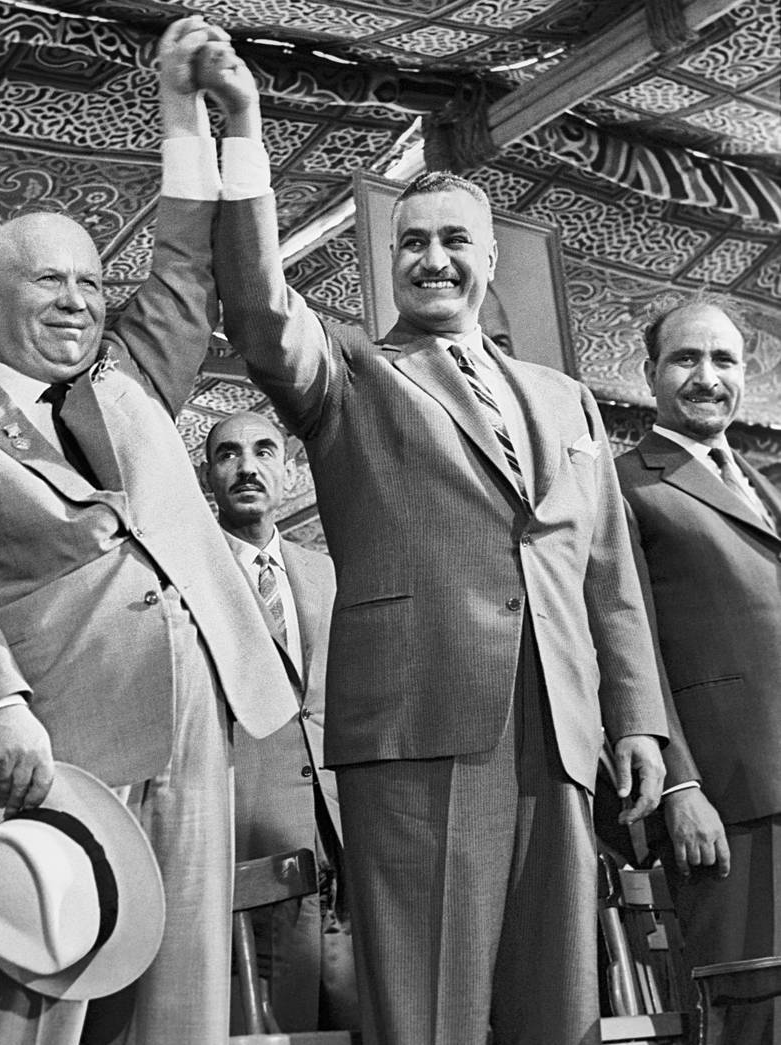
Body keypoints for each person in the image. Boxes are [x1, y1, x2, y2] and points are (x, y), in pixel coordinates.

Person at [194, 40, 669, 1045]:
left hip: (563, 731)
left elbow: (609, 574)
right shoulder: (355, 374)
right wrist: (238, 134)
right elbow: (257, 307)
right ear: (390, 259)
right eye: (413, 243)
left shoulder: (567, 399)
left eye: (455, 240)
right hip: (420, 732)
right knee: (429, 1015)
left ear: (489, 260)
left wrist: (636, 718)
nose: (434, 259)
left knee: (559, 1010)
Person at [0, 18, 295, 1045]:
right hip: (45, 758)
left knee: (175, 1018)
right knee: (22, 1018)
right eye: (50, 280)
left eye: (93, 281)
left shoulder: (133, 382)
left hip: (191, 745)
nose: (78, 299)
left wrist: (190, 116)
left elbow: (185, 268)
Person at [616, 297, 781, 1042]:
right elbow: (627, 644)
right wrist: (680, 784)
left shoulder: (762, 485)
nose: (707, 376)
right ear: (650, 373)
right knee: (752, 1013)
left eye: (724, 360)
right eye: (687, 358)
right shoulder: (624, 484)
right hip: (727, 798)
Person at [201, 411, 359, 1033]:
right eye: (228, 455)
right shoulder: (191, 571)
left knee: (353, 1009)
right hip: (244, 822)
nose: (247, 466)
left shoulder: (326, 571)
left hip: (338, 823)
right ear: (206, 475)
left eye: (264, 451)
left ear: (289, 472)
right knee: (265, 1011)